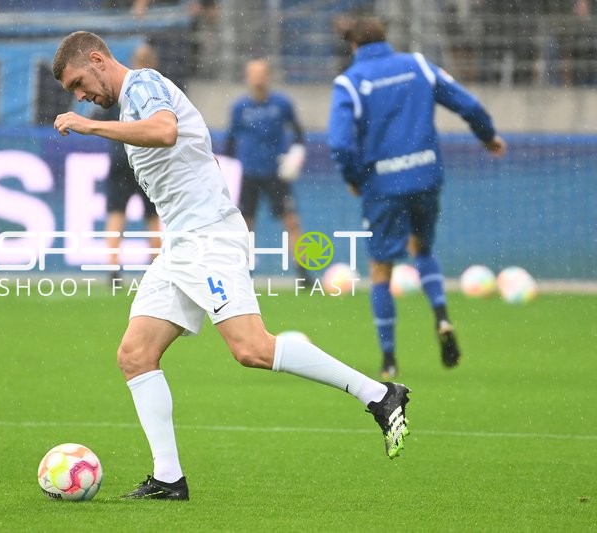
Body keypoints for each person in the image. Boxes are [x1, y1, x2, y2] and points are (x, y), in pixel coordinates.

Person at [51, 31, 410, 501]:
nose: (80, 95)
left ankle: (380, 396)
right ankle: (168, 479)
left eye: (79, 82)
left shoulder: (142, 86)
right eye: (73, 93)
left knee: (252, 349)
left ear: (97, 60)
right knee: (135, 356)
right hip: (181, 245)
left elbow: (165, 130)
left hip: (209, 238)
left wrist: (87, 125)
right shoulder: (126, 105)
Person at [327, 17, 507, 379]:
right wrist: (487, 136)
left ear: (354, 47)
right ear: (385, 38)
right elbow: (468, 104)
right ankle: (441, 316)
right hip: (426, 176)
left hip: (383, 185)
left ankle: (389, 360)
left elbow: (340, 144)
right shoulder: (418, 65)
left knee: (381, 269)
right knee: (421, 250)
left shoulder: (350, 82)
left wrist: (354, 177)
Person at [226, 59, 311, 281]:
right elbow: (230, 142)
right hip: (249, 174)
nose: (257, 78)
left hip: (276, 173)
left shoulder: (282, 104)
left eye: (261, 73)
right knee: (245, 226)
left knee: (291, 220)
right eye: (253, 74)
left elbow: (298, 132)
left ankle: (302, 272)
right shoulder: (239, 107)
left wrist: (296, 154)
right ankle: (243, 273)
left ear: (268, 76)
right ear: (247, 77)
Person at [91, 43, 161, 280]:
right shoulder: (157, 88)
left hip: (121, 156)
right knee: (152, 214)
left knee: (116, 212)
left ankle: (112, 265)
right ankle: (157, 264)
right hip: (146, 159)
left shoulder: (121, 87)